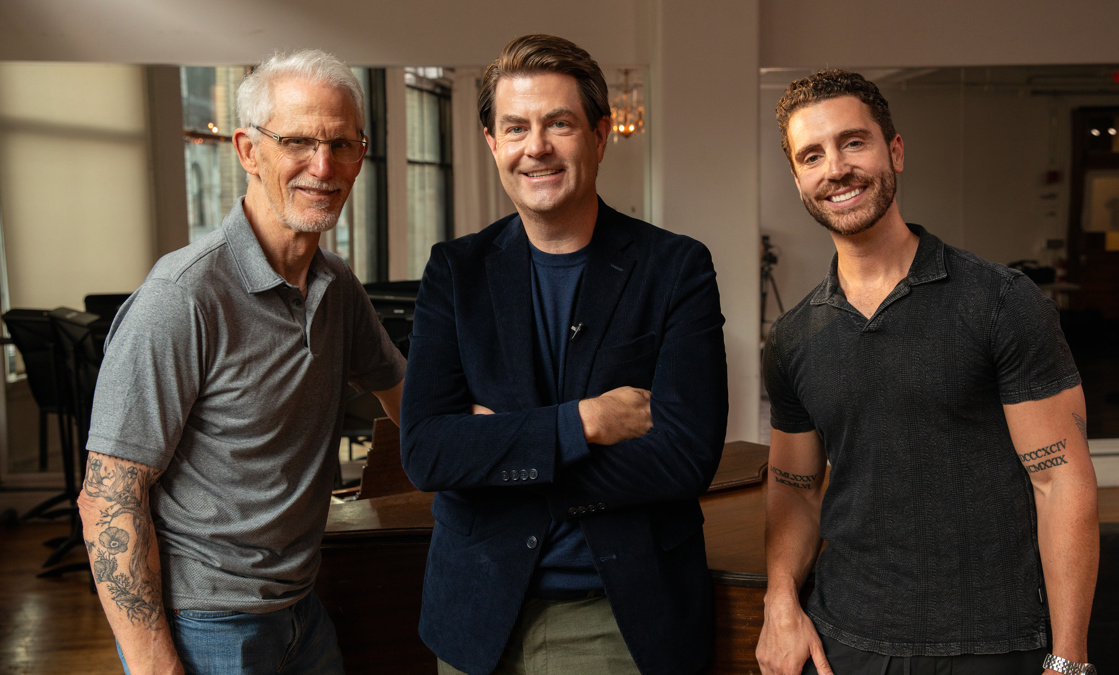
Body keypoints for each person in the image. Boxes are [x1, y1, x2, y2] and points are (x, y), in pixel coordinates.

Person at [399, 34, 729, 675]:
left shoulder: (676, 268)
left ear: (601, 135)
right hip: (477, 618)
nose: (537, 147)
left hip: (620, 620)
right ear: (493, 144)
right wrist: (584, 423)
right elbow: (428, 450)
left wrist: (499, 453)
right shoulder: (454, 271)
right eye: (516, 127)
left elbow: (686, 459)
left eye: (560, 124)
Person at [756, 70, 1100, 675]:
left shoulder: (999, 301)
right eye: (812, 154)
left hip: (992, 641)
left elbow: (1061, 483)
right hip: (847, 642)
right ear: (798, 179)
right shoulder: (792, 338)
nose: (835, 168)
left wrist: (1070, 659)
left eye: (853, 142)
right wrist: (780, 598)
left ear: (895, 150)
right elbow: (795, 489)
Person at [78, 49, 406, 675]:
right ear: (247, 151)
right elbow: (108, 499)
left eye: (342, 144)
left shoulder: (336, 285)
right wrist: (154, 667)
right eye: (298, 141)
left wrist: (526, 435)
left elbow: (407, 400)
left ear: (361, 156)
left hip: (303, 609)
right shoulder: (183, 297)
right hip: (205, 625)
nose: (323, 165)